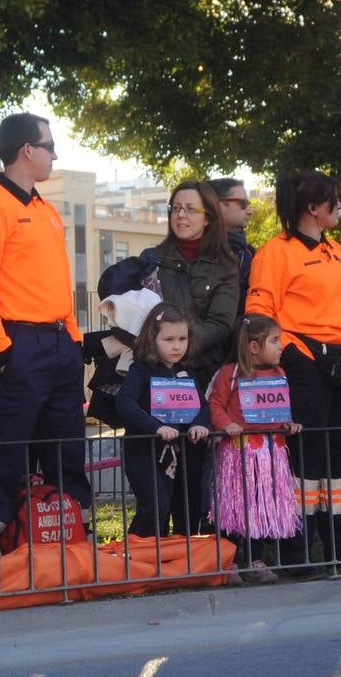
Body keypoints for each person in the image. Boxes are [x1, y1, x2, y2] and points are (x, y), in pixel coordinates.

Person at [0, 112, 92, 562]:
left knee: (68, 449)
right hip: (20, 345)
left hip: (58, 345)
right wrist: (2, 351)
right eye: (50, 145)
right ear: (26, 150)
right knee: (5, 452)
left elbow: (59, 285)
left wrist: (73, 339)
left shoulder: (46, 210)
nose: (55, 154)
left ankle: (77, 541)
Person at [246, 170, 341, 577]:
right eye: (334, 201)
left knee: (340, 459)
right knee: (305, 461)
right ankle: (296, 554)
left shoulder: (339, 251)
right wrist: (292, 357)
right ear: (314, 208)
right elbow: (259, 312)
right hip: (305, 365)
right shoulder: (275, 252)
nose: (340, 208)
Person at [97, 179, 238, 533]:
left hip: (199, 374)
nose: (181, 215)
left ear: (209, 217)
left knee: (192, 474)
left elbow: (221, 323)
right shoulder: (154, 259)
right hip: (152, 377)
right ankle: (150, 546)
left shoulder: (226, 265)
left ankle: (189, 544)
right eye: (175, 208)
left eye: (191, 209)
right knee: (155, 478)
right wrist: (158, 350)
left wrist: (181, 346)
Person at [206, 314, 303, 583]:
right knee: (236, 509)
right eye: (274, 341)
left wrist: (288, 424)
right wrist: (226, 424)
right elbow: (215, 404)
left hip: (271, 453)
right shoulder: (231, 374)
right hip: (240, 452)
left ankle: (255, 559)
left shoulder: (279, 374)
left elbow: (279, 410)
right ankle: (231, 561)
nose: (281, 346)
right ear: (253, 347)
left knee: (261, 507)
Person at [115, 303, 211, 537]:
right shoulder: (141, 370)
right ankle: (135, 555)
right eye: (169, 339)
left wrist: (200, 423)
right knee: (155, 506)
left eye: (182, 339)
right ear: (152, 338)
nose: (177, 346)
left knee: (182, 506)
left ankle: (174, 558)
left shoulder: (186, 372)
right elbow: (125, 403)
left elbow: (201, 405)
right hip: (143, 451)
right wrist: (156, 427)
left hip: (180, 453)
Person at [210, 177, 254, 319]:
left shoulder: (249, 253)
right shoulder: (195, 249)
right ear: (218, 204)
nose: (250, 211)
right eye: (243, 203)